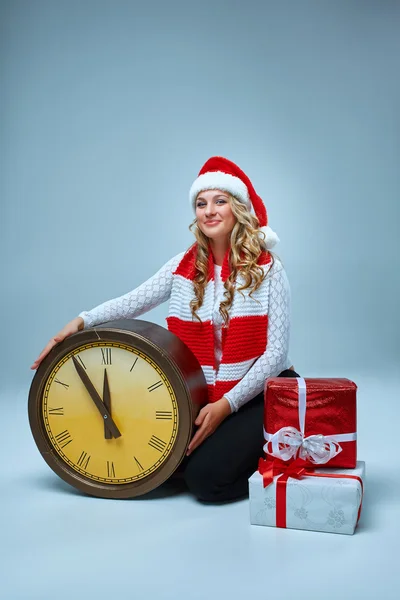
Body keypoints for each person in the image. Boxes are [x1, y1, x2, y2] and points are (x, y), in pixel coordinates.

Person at [31, 156, 300, 503]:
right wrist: (81, 321)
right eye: (201, 204)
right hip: (207, 391)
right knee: (172, 470)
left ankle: (284, 456)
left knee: (206, 484)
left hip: (262, 388)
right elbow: (132, 302)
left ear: (239, 209)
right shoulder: (184, 266)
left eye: (220, 201)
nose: (209, 211)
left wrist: (227, 406)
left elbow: (275, 355)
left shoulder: (269, 270)